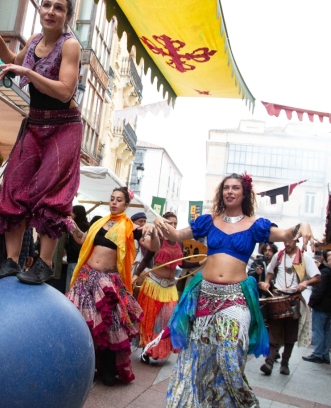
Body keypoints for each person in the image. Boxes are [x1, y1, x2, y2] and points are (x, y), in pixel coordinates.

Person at [153, 173, 319, 407]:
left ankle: (244, 403)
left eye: (235, 188)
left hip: (235, 300)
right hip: (205, 297)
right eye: (226, 188)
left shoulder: (256, 225)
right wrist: (160, 223)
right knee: (202, 355)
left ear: (244, 194)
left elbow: (284, 234)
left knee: (230, 356)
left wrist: (303, 225)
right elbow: (176, 235)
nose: (230, 191)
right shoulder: (209, 221)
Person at [0, 0, 82, 285]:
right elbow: (13, 59)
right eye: (46, 5)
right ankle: (11, 261)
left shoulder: (70, 45)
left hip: (64, 125)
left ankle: (45, 263)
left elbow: (65, 91)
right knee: (13, 187)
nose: (50, 11)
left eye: (58, 8)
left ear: (67, 16)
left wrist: (29, 72)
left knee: (51, 194)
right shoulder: (35, 40)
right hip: (35, 122)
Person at [66, 187, 152, 386]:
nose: (114, 202)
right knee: (85, 324)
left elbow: (151, 246)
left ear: (126, 205)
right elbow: (82, 239)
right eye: (112, 199)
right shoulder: (99, 222)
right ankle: (87, 365)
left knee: (108, 325)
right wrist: (69, 224)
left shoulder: (129, 227)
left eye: (119, 200)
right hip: (86, 278)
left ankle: (107, 370)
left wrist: (152, 232)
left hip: (108, 282)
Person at [132, 212, 201, 364]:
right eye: (170, 223)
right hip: (153, 285)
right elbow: (146, 260)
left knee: (168, 319)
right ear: (163, 224)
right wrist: (136, 275)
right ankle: (147, 349)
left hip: (170, 287)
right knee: (151, 319)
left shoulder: (179, 243)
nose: (173, 226)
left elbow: (182, 263)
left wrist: (200, 263)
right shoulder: (157, 240)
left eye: (175, 224)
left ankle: (158, 348)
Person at [259, 239, 321, 375]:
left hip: (294, 299)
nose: (286, 244)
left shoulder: (305, 258)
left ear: (296, 241)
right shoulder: (279, 255)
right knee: (274, 331)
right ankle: (269, 362)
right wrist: (267, 282)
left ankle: (285, 363)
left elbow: (317, 277)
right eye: (285, 241)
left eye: (290, 242)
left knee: (290, 334)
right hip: (278, 297)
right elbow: (270, 272)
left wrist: (306, 282)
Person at [303, 250, 331, 364]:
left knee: (318, 330)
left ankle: (318, 354)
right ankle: (324, 354)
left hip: (322, 306)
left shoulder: (324, 272)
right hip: (329, 306)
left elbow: (319, 290)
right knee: (326, 330)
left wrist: (311, 303)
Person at [64, 205, 89, 292]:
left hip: (74, 262)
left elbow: (76, 245)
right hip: (83, 264)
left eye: (72, 212)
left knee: (70, 290)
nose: (71, 214)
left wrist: (66, 246)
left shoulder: (77, 227)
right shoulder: (87, 226)